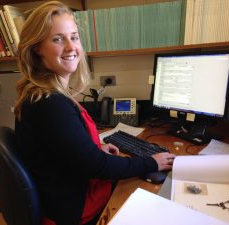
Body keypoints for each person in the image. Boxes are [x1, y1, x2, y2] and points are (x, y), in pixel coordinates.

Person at [14, 1, 176, 225]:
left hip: (66, 195)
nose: (71, 47)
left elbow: (58, 149)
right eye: (58, 39)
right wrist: (151, 162)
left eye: (74, 36)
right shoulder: (49, 103)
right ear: (36, 48)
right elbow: (97, 166)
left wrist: (93, 147)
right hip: (75, 209)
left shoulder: (45, 94)